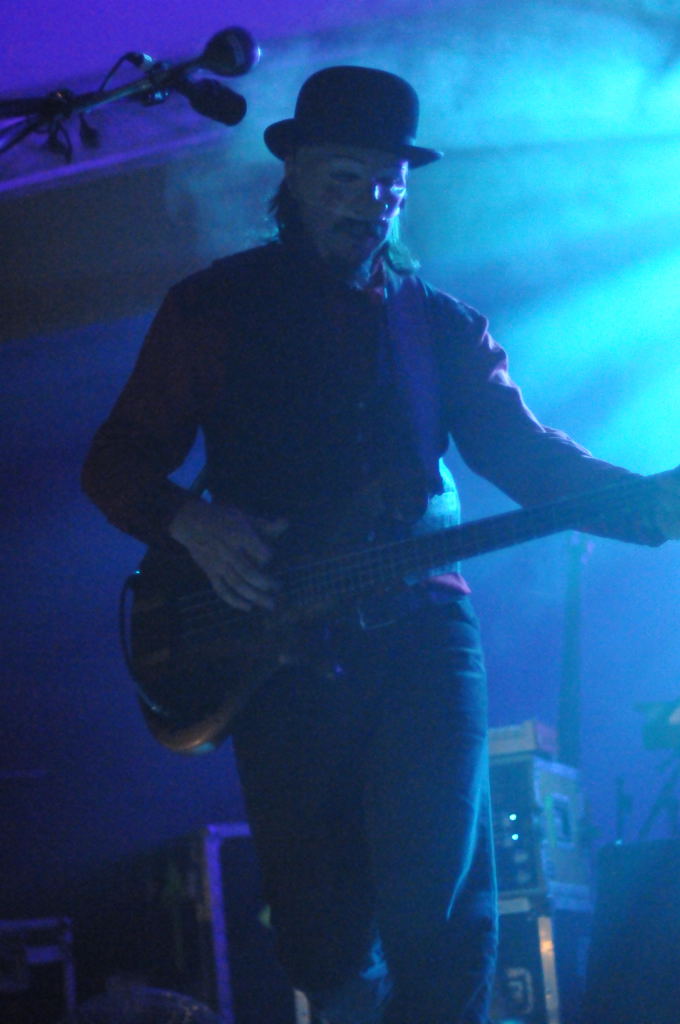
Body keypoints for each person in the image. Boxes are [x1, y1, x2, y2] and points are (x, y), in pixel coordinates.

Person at [82, 66, 680, 1024]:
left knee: (441, 910)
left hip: (422, 634)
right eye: (344, 179)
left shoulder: (440, 325)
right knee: (321, 929)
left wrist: (646, 504)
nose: (369, 203)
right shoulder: (213, 307)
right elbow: (115, 461)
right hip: (274, 647)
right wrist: (192, 519)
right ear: (292, 175)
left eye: (388, 186)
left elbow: (526, 456)